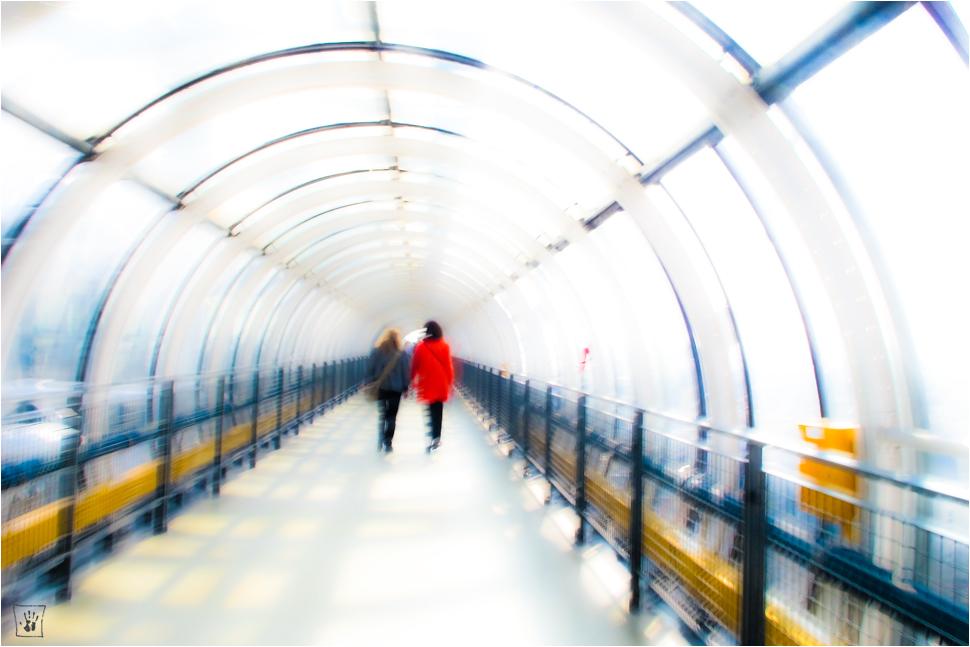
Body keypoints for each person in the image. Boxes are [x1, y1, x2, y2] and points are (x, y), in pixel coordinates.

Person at [410, 320, 454, 451]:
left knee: (430, 408)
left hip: (427, 383)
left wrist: (411, 380)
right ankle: (437, 436)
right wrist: (450, 382)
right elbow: (448, 366)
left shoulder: (420, 347)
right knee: (438, 410)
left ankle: (432, 432)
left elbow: (415, 365)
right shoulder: (445, 346)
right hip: (440, 383)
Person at [366, 328, 411, 453]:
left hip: (381, 388)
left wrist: (368, 381)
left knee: (382, 415)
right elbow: (405, 372)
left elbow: (370, 368)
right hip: (396, 389)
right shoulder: (401, 354)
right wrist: (406, 388)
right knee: (392, 416)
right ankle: (388, 442)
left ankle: (380, 439)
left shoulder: (377, 351)